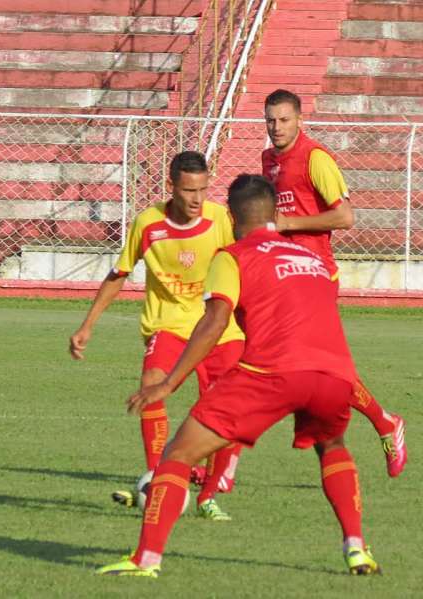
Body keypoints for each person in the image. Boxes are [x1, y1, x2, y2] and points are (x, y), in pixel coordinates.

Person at [98, 174, 382, 578]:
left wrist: (169, 382)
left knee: (178, 455)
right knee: (332, 446)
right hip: (334, 375)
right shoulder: (313, 259)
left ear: (231, 217)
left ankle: (146, 560)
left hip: (271, 373)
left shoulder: (232, 256)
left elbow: (215, 323)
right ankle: (356, 548)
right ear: (275, 214)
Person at [70, 151, 245, 520]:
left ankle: (209, 494)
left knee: (227, 407)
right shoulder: (148, 223)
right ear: (171, 187)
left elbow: (246, 265)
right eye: (189, 190)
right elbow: (119, 273)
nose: (197, 199)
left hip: (218, 328)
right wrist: (88, 325)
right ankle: (157, 478)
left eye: (203, 189)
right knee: (151, 385)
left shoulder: (220, 219)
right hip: (169, 325)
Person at [262, 89, 406, 477]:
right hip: (286, 276)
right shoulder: (268, 160)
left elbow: (345, 217)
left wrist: (289, 223)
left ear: (299, 119)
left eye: (284, 120)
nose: (277, 127)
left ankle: (379, 423)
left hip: (317, 275)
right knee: (315, 367)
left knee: (317, 367)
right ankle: (376, 424)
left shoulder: (316, 158)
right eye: (271, 120)